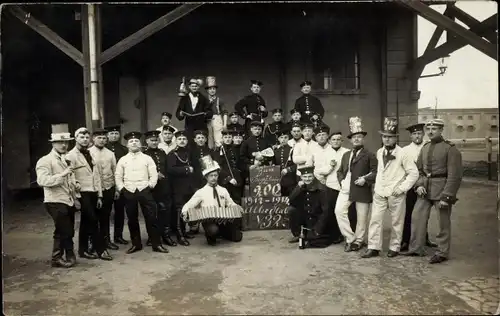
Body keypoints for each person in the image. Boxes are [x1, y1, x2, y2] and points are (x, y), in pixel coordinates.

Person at [403, 119, 463, 264]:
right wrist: (418, 186)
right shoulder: (425, 147)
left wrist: (447, 196)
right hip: (425, 190)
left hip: (442, 190)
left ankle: (442, 252)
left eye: (434, 129)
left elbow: (455, 175)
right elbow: (419, 171)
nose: (430, 131)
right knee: (417, 217)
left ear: (441, 130)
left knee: (443, 223)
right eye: (428, 129)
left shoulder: (450, 149)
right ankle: (416, 248)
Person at [361, 118, 418, 259]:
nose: (386, 140)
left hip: (396, 193)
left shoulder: (403, 153)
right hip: (380, 192)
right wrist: (377, 187)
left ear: (395, 138)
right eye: (384, 137)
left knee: (397, 221)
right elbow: (380, 171)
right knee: (375, 219)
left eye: (390, 137)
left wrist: (403, 188)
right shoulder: (380, 152)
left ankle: (395, 246)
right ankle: (373, 247)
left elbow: (414, 173)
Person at [115, 131, 169, 254]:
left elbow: (153, 174)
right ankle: (136, 244)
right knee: (132, 219)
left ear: (140, 144)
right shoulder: (123, 160)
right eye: (131, 141)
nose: (134, 143)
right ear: (127, 145)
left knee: (151, 217)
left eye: (136, 141)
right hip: (129, 191)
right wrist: (122, 188)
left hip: (145, 190)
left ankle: (156, 244)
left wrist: (150, 185)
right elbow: (118, 176)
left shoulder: (147, 158)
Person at [66, 128, 111, 261]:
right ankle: (101, 249)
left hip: (93, 192)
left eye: (87, 137)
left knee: (86, 222)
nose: (85, 139)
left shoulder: (91, 154)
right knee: (93, 220)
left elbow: (96, 176)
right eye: (82, 137)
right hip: (82, 193)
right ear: (76, 138)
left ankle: (83, 250)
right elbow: (69, 176)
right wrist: (75, 194)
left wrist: (100, 195)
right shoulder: (71, 155)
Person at [36, 130, 79, 268]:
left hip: (68, 200)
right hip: (54, 200)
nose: (64, 145)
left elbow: (70, 179)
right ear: (53, 143)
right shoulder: (45, 160)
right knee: (64, 229)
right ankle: (63, 256)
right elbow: (42, 181)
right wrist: (63, 174)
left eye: (66, 142)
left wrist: (75, 187)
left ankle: (61, 256)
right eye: (60, 142)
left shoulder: (67, 159)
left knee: (66, 229)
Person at [335, 117, 377, 252]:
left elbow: (376, 172)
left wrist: (366, 179)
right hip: (346, 187)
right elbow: (340, 171)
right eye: (354, 137)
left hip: (361, 188)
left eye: (359, 137)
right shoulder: (346, 155)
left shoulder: (370, 155)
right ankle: (350, 237)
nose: (357, 139)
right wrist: (341, 180)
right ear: (350, 140)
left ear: (363, 139)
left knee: (362, 217)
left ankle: (358, 241)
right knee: (339, 211)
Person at [181, 156, 243, 246]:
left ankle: (222, 232)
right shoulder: (201, 192)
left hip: (223, 219)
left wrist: (237, 207)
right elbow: (189, 204)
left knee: (238, 237)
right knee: (213, 233)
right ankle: (211, 234)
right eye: (211, 176)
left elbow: (230, 203)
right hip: (209, 221)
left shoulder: (223, 190)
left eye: (215, 175)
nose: (213, 178)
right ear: (206, 177)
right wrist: (185, 212)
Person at [401, 123, 437, 251]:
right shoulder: (405, 150)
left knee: (423, 213)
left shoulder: (428, 147)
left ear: (423, 134)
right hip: (411, 185)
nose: (417, 136)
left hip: (426, 184)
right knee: (409, 213)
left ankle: (424, 238)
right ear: (411, 136)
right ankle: (406, 240)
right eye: (414, 134)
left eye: (419, 133)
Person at [308, 125, 344, 244]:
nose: (322, 137)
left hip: (332, 182)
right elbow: (311, 166)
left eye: (324, 134)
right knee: (320, 208)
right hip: (317, 181)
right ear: (316, 137)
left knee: (333, 208)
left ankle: (337, 233)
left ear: (327, 136)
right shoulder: (313, 149)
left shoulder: (332, 148)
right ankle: (322, 232)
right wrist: (319, 177)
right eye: (319, 135)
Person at [143, 130, 177, 247]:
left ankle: (166, 235)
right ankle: (152, 236)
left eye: (156, 140)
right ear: (147, 141)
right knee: (151, 213)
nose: (154, 142)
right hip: (151, 188)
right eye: (151, 140)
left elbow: (167, 168)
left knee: (165, 212)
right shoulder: (144, 154)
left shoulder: (162, 152)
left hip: (164, 187)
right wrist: (154, 174)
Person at [287, 165, 334, 248]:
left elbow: (326, 212)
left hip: (317, 218)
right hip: (307, 217)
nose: (307, 179)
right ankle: (298, 234)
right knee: (292, 210)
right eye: (304, 177)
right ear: (301, 177)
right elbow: (291, 200)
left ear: (313, 176)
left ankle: (310, 235)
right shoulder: (302, 186)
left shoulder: (321, 189)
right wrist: (298, 188)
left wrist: (318, 229)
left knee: (314, 241)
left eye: (309, 176)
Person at [89, 129, 119, 251]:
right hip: (94, 189)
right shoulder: (88, 152)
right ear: (93, 139)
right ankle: (93, 243)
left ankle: (106, 241)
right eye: (99, 138)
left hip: (108, 188)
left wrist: (116, 189)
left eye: (103, 138)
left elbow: (115, 171)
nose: (102, 140)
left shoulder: (110, 153)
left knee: (105, 216)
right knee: (93, 217)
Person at [166, 130, 197, 246]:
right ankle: (179, 234)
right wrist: (186, 169)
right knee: (179, 209)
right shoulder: (172, 154)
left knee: (187, 208)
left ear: (187, 141)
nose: (182, 141)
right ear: (176, 141)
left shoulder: (189, 152)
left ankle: (184, 230)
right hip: (177, 186)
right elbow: (170, 169)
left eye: (184, 139)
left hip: (189, 185)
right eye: (179, 139)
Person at [104, 125, 129, 245]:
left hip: (121, 184)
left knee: (120, 211)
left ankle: (118, 236)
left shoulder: (124, 149)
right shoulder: (104, 149)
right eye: (111, 134)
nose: (114, 136)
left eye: (116, 133)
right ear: (107, 136)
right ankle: (106, 238)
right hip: (107, 184)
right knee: (106, 212)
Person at [214, 130, 243, 205]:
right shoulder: (219, 150)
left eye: (229, 137)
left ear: (232, 138)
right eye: (225, 137)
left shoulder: (237, 149)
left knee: (237, 201)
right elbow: (218, 167)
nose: (227, 139)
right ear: (222, 138)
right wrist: (229, 178)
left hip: (237, 179)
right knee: (225, 202)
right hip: (225, 180)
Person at [273, 129, 297, 197]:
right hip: (279, 179)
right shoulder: (275, 150)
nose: (283, 140)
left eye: (285, 137)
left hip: (291, 179)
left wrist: (288, 169)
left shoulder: (292, 149)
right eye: (281, 137)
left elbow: (297, 164)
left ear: (288, 138)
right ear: (278, 139)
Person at [206, 76, 228, 148]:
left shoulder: (219, 100)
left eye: (214, 89)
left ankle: (219, 156)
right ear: (207, 90)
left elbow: (225, 112)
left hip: (217, 120)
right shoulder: (204, 100)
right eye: (210, 89)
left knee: (219, 140)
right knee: (209, 140)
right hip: (207, 120)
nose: (212, 90)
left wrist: (224, 124)